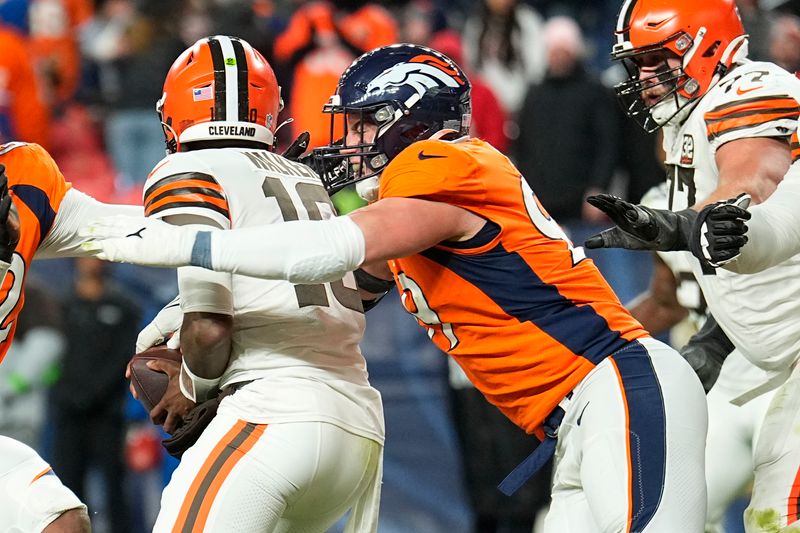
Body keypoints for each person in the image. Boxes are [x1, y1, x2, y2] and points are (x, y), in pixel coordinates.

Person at [82, 43, 709, 532]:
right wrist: (180, 320)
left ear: (405, 120)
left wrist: (192, 243)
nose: (346, 144)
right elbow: (330, 291)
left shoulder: (439, 163)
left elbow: (335, 249)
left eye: (360, 126)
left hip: (613, 387)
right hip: (578, 415)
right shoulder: (417, 204)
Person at [123, 35, 385, 533]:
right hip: (357, 426)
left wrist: (190, 386)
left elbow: (209, 328)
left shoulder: (187, 167)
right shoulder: (305, 177)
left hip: (273, 416)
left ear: (177, 110)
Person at [573, 1, 800, 530]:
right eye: (639, 64)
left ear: (707, 45)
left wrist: (684, 223)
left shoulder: (751, 84)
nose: (646, 77)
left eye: (657, 59)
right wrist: (715, 343)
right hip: (776, 363)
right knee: (771, 517)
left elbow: (753, 180)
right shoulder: (684, 128)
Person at [632, 184, 774, 533]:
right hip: (719, 392)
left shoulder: (767, 184)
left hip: (782, 383)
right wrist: (590, 344)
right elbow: (669, 301)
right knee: (667, 520)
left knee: (778, 520)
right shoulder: (658, 201)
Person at [50, 257, 140, 533]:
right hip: (68, 410)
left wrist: (95, 392)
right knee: (67, 486)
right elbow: (54, 354)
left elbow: (125, 355)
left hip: (107, 411)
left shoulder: (125, 306)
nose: (92, 262)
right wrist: (69, 394)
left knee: (115, 484)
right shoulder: (61, 306)